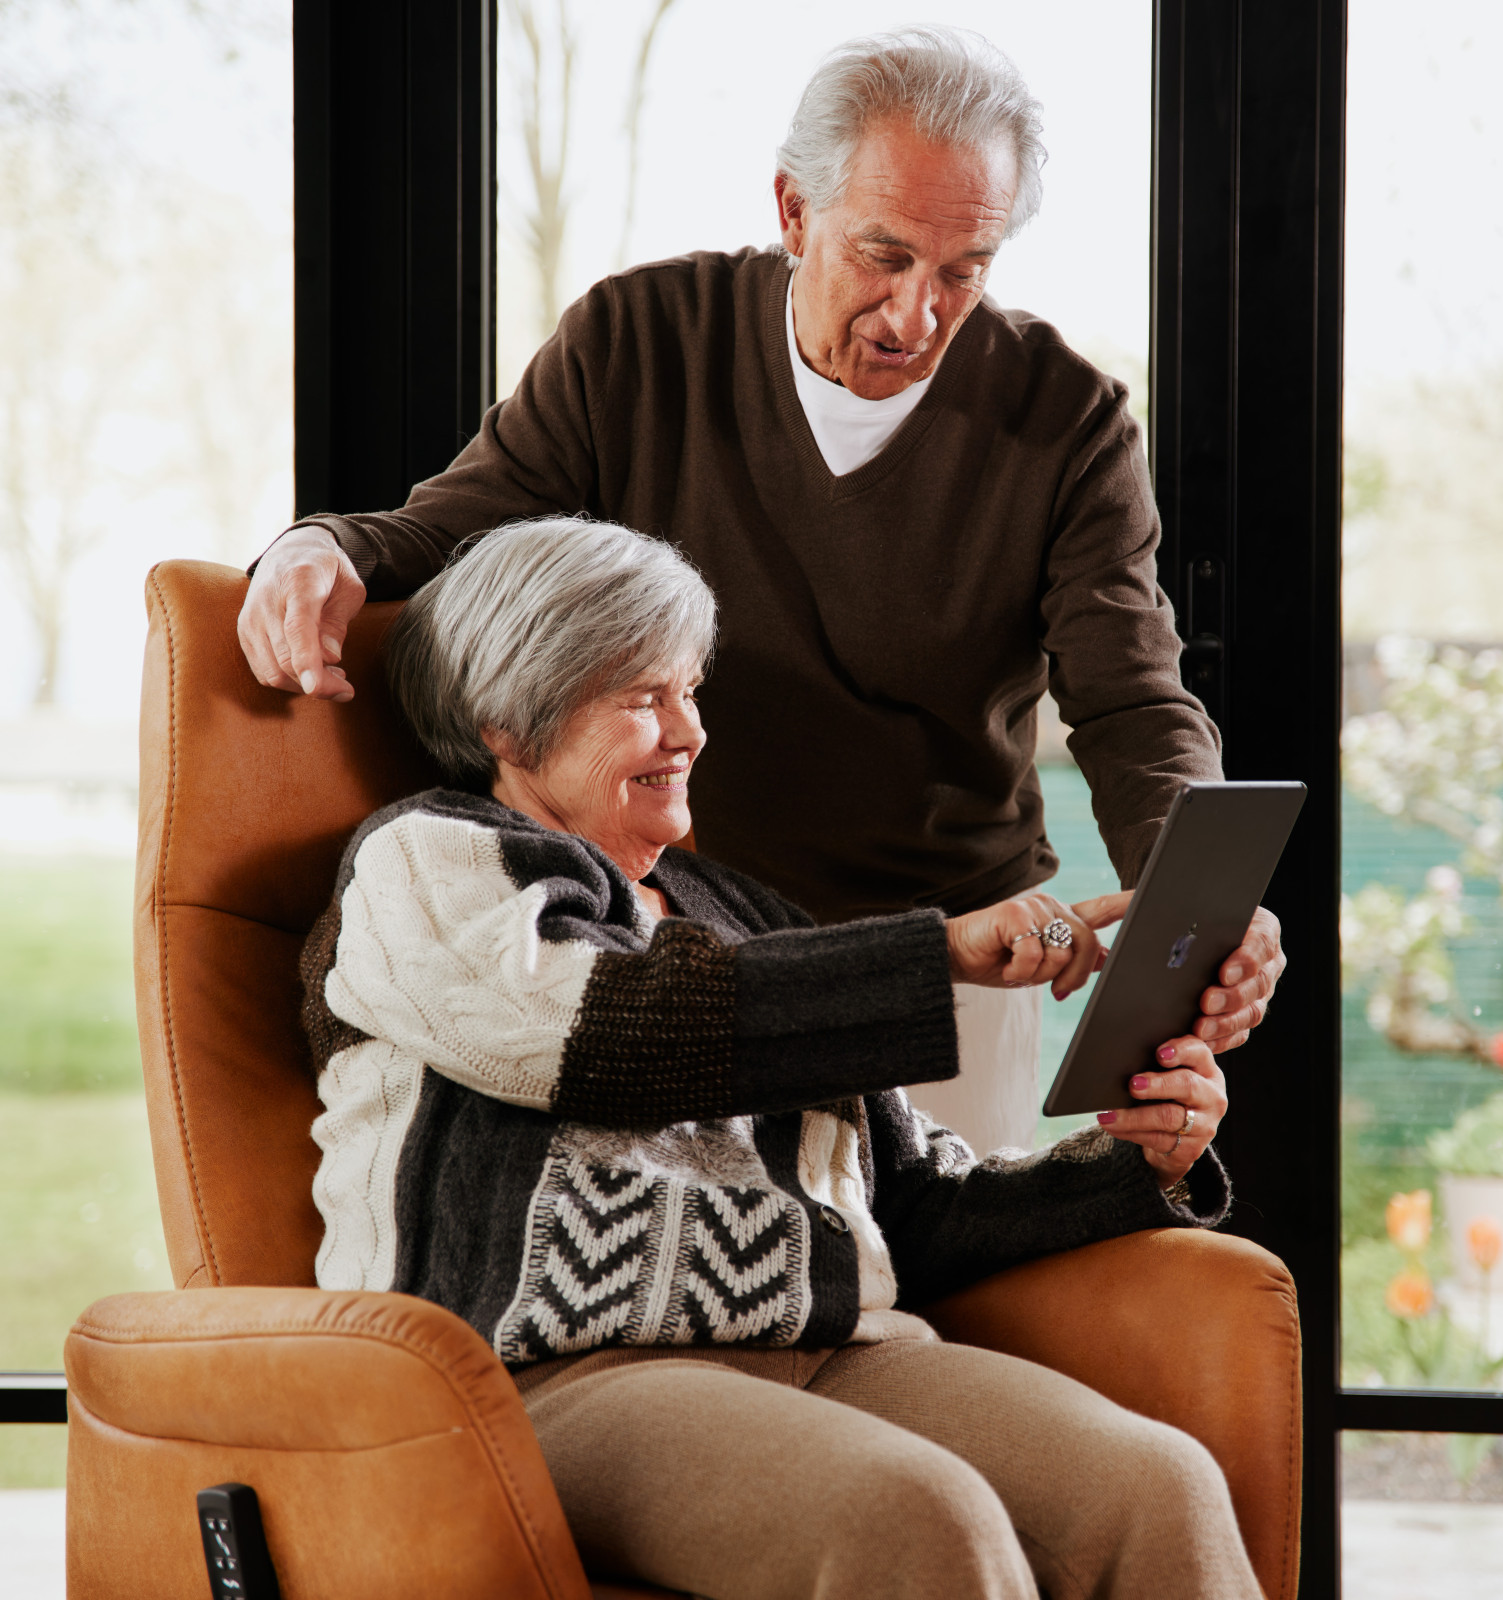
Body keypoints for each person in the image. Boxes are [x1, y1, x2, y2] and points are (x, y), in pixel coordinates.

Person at [250, 26, 1285, 1154]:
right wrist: (318, 546)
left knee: (946, 1280)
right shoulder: (637, 342)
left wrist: (1201, 907)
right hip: (686, 949)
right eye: (882, 257)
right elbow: (449, 528)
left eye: (961, 273)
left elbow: (1134, 707)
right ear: (795, 211)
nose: (914, 316)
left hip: (954, 955)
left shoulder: (1067, 420)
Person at [300, 516, 1262, 1600]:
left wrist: (1141, 1159)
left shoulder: (746, 914)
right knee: (910, 1516)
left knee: (1156, 1485)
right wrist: (931, 954)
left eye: (691, 690)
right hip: (557, 1370)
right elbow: (599, 1029)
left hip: (839, 1347)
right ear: (506, 723)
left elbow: (913, 1198)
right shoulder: (427, 859)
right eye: (640, 697)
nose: (688, 731)